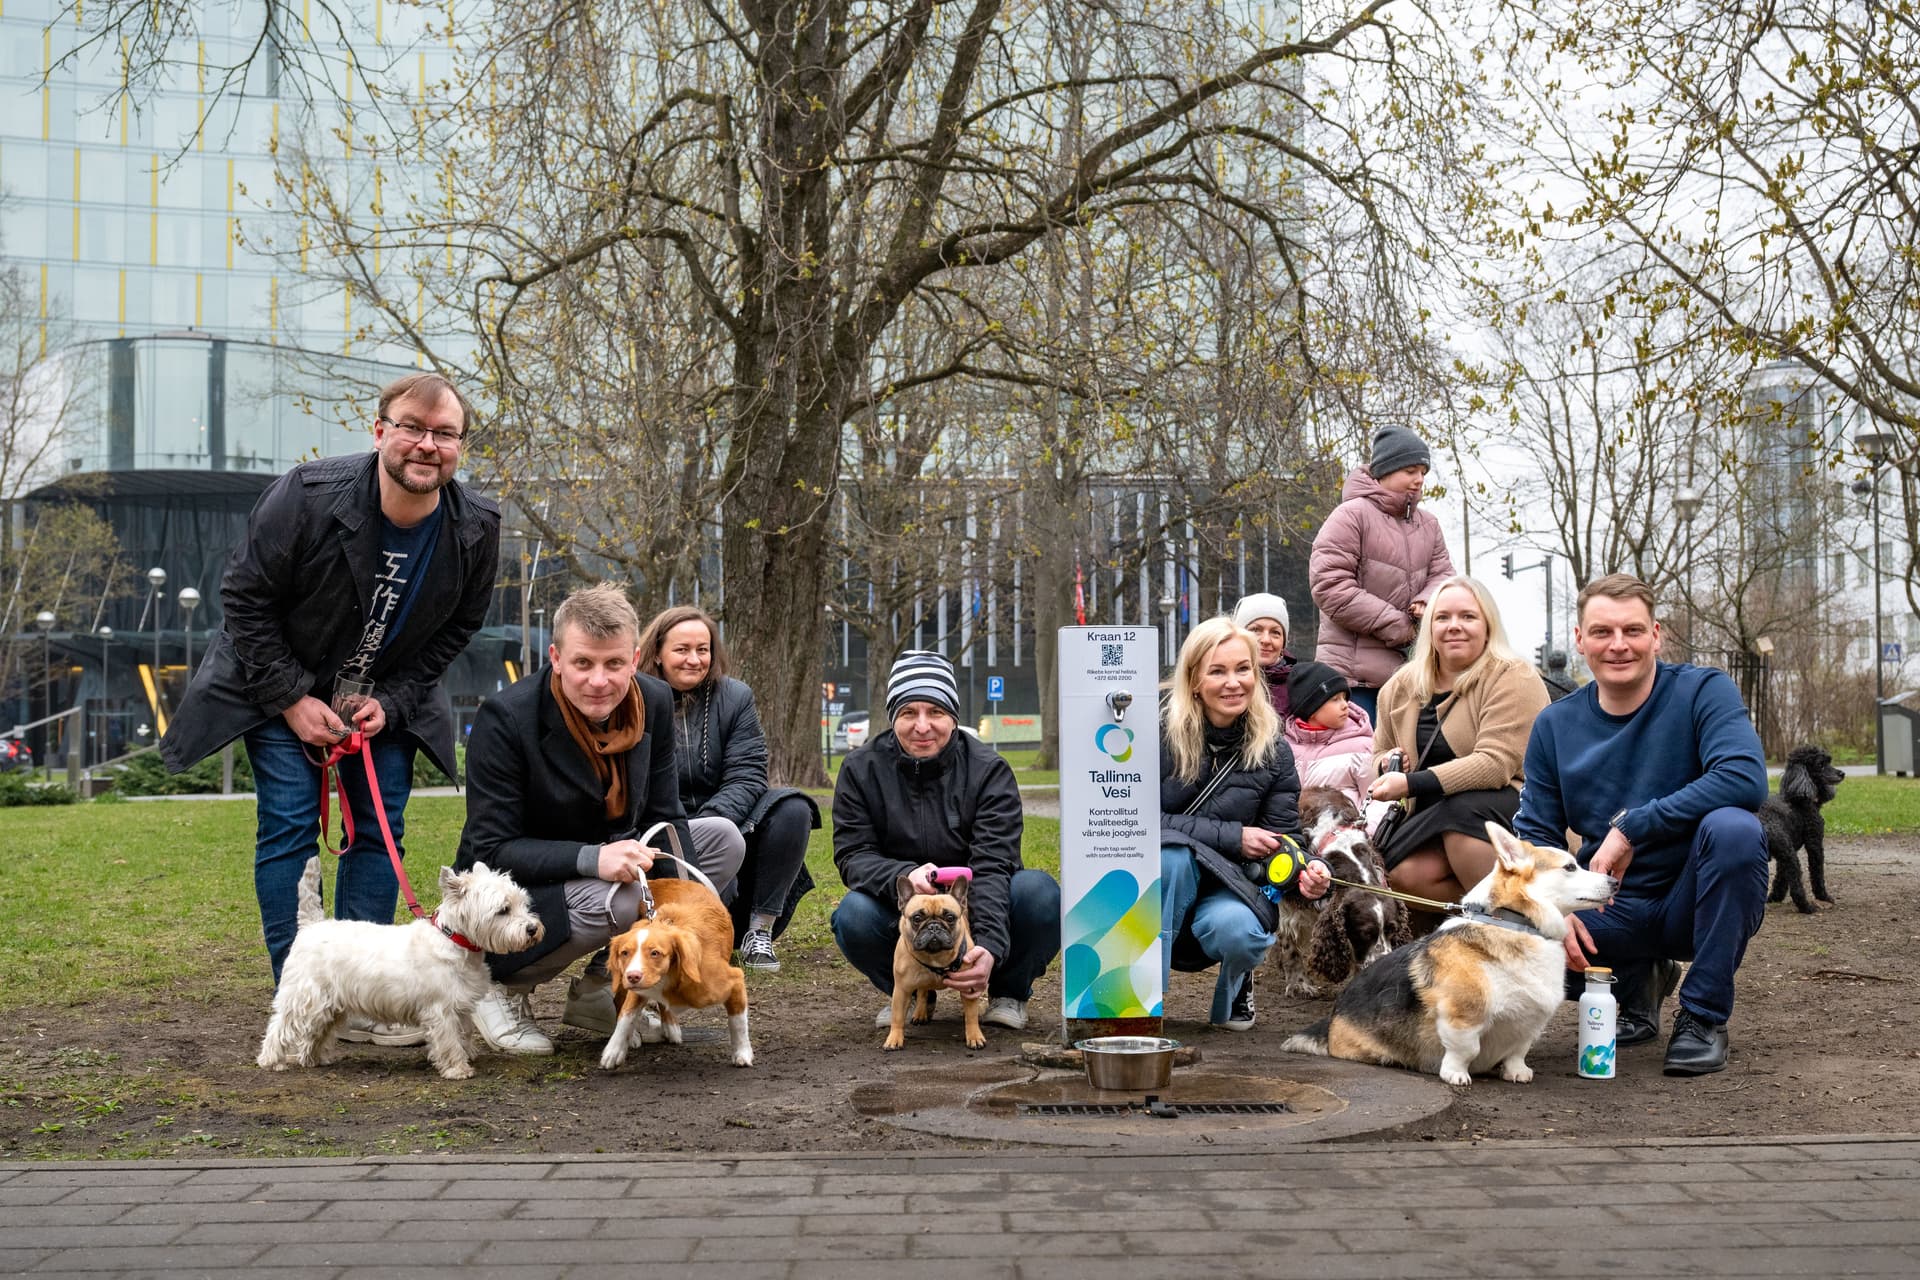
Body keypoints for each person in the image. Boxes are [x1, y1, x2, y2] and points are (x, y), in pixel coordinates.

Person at [162, 373, 500, 1047]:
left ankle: (367, 998)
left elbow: (459, 629)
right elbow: (245, 599)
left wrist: (394, 701)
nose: (426, 445)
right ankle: (302, 995)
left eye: (444, 433)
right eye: (411, 427)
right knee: (288, 826)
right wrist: (291, 698)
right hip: (279, 681)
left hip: (385, 696)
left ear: (461, 446)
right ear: (380, 432)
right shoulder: (308, 494)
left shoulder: (477, 527)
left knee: (380, 830)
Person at [1514, 573, 1767, 1076]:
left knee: (1736, 830)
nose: (1619, 645)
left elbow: (1744, 777)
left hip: (1694, 904)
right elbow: (1537, 835)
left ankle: (1701, 1016)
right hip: (1606, 909)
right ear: (1580, 639)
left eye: (1632, 630)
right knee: (1504, 945)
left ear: (1656, 634)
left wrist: (1632, 827)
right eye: (1603, 632)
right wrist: (1552, 911)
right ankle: (1634, 980)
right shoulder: (1555, 725)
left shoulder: (1703, 691)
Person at [454, 583, 696, 1055]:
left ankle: (603, 989)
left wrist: (684, 904)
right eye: (583, 663)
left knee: (722, 840)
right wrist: (592, 858)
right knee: (624, 894)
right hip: (523, 890)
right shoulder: (505, 718)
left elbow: (667, 815)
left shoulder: (656, 702)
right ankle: (497, 986)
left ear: (636, 658)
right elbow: (492, 849)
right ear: (556, 657)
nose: (599, 681)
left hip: (614, 857)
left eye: (614, 664)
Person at [831, 650, 1060, 1032]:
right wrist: (902, 875)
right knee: (852, 914)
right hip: (903, 905)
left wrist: (988, 947)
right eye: (908, 713)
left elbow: (992, 864)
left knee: (1039, 893)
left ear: (953, 717)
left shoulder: (989, 771)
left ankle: (1008, 990)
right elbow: (853, 854)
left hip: (977, 904)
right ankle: (906, 989)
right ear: (893, 718)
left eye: (935, 712)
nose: (923, 726)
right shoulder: (860, 770)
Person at [1160, 617, 1329, 1031]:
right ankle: (1144, 995)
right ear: (1194, 680)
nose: (1233, 682)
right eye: (1217, 671)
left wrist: (1307, 871)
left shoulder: (1273, 749)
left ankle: (1236, 984)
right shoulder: (1157, 733)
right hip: (1158, 889)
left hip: (1229, 886)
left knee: (1243, 933)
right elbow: (1135, 822)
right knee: (1174, 859)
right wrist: (1233, 836)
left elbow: (1284, 837)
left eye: (1243, 669)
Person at [637, 604, 819, 971]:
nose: (694, 659)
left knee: (793, 808)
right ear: (657, 653)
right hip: (657, 834)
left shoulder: (735, 697)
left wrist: (714, 828)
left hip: (724, 822)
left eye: (702, 649)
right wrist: (683, 840)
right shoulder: (635, 699)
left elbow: (748, 773)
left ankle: (759, 931)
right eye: (681, 649)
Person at [1371, 575, 1549, 915]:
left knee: (1462, 818)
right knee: (1403, 874)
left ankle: (1520, 923)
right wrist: (1387, 763)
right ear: (1429, 628)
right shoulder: (1399, 687)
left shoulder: (1513, 676)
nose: (1455, 626)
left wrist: (1410, 783)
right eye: (1443, 617)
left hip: (1511, 807)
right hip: (1428, 817)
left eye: (1468, 616)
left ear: (1488, 625)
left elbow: (1496, 763)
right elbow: (1379, 752)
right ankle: (1489, 918)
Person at [1309, 425, 1454, 721]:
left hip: (1412, 676)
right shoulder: (1351, 516)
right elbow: (1330, 586)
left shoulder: (1429, 525)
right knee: (1364, 762)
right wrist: (1399, 626)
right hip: (1353, 682)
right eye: (1410, 470)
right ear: (1385, 471)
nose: (1419, 479)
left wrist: (1427, 600)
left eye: (1423, 472)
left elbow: (1444, 576)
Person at [1282, 660, 1376, 811]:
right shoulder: (1284, 747)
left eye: (1345, 698)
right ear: (1310, 709)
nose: (1345, 704)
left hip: (1346, 832)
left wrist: (1364, 832)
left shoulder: (1362, 746)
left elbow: (1377, 800)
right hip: (1292, 832)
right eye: (1335, 699)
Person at [1232, 592, 1298, 719]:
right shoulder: (1220, 682)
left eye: (1275, 632)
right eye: (1255, 630)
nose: (1266, 640)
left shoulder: (1300, 686)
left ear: (1284, 643)